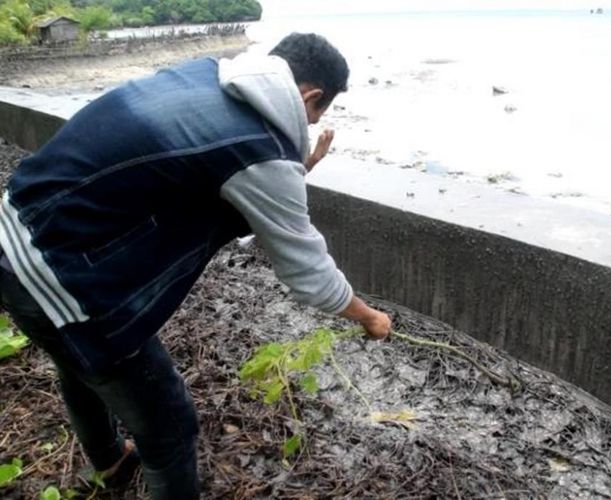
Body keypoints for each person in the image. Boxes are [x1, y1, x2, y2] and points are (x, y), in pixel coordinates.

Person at [0, 32, 391, 499]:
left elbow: (210, 180)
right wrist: (370, 317)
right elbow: (309, 275)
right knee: (169, 425)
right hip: (57, 274)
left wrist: (294, 171)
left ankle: (109, 463)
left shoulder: (206, 75)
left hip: (15, 227)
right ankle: (122, 464)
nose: (309, 123)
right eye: (316, 113)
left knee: (80, 363)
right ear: (313, 95)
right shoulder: (261, 146)